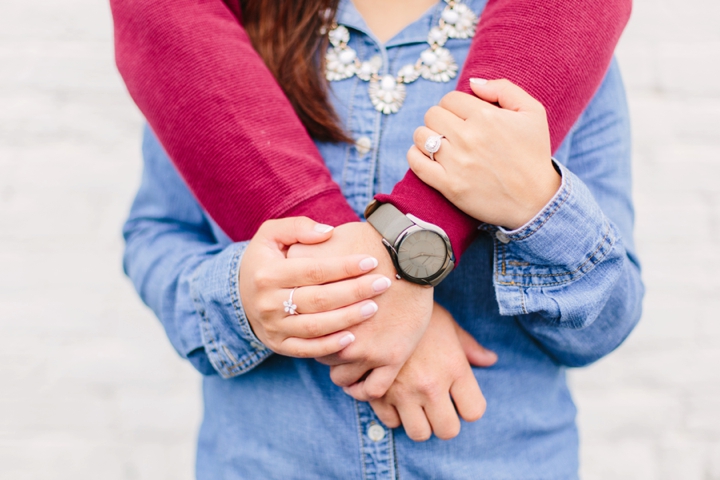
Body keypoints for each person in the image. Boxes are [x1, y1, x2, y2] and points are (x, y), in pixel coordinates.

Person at [123, 0, 643, 477]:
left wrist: (533, 202)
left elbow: (605, 323)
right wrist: (245, 295)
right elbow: (157, 237)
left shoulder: (559, 48)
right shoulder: (221, 36)